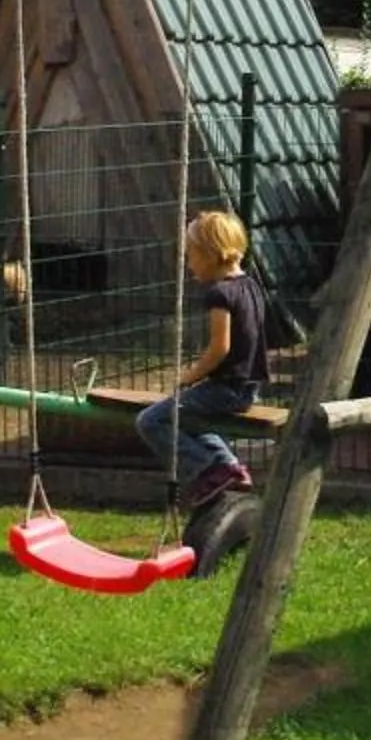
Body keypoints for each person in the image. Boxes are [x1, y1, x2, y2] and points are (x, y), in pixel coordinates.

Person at [137, 210, 265, 513]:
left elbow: (220, 347)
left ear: (210, 254)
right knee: (188, 419)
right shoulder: (251, 287)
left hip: (226, 389)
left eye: (191, 255)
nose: (189, 263)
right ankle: (228, 465)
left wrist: (190, 377)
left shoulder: (219, 295)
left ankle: (206, 469)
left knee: (150, 420)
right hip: (249, 387)